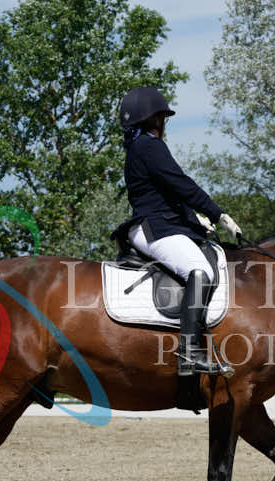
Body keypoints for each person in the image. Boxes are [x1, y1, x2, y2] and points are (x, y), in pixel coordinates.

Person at [112, 87, 241, 377]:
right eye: (163, 118)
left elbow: (168, 192)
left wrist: (196, 220)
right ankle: (189, 353)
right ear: (155, 119)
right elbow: (182, 184)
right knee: (200, 271)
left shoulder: (139, 147)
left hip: (160, 224)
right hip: (154, 228)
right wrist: (218, 214)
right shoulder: (149, 145)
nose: (165, 124)